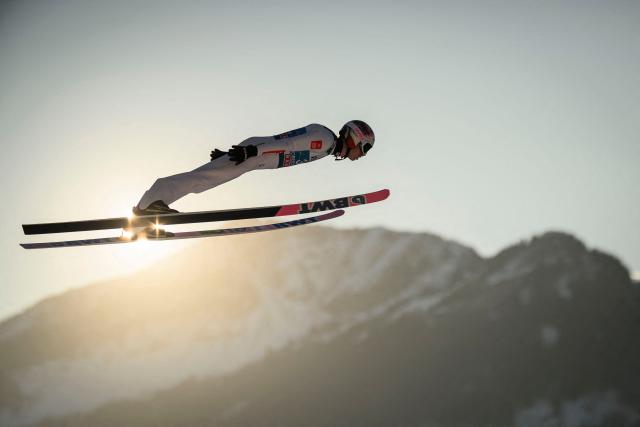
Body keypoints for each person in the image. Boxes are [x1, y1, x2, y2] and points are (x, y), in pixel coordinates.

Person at [133, 120, 375, 215]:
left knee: (203, 179)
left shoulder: (326, 145)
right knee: (203, 180)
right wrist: (251, 152)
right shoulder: (325, 140)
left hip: (255, 154)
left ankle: (148, 208)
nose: (361, 156)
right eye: (364, 149)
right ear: (354, 138)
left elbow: (282, 145)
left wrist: (239, 153)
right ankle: (151, 204)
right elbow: (286, 144)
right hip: (255, 154)